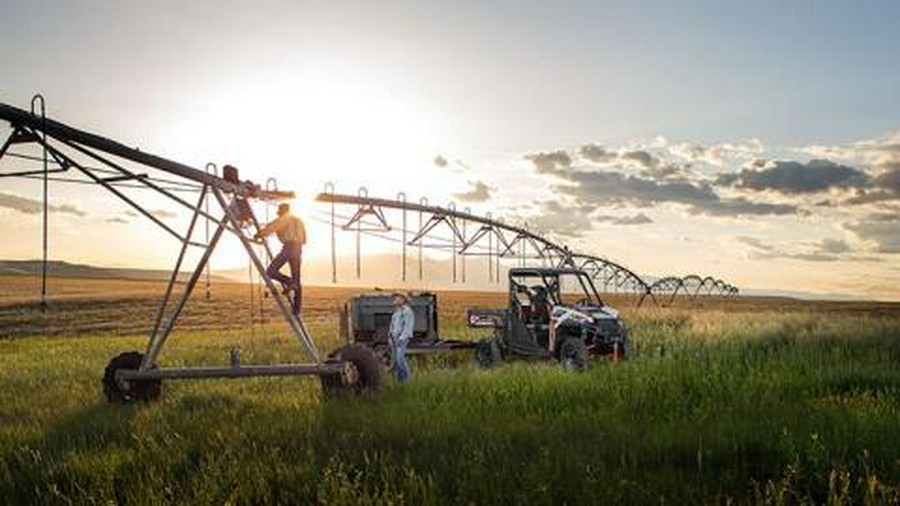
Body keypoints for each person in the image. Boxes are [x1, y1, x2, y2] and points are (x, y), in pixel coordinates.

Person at [254, 203, 306, 315]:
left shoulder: (283, 219)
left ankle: (289, 281)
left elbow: (271, 228)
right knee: (297, 278)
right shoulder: (299, 220)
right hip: (298, 248)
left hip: (289, 247)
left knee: (270, 271)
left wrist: (258, 234)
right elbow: (305, 238)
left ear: (281, 211)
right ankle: (297, 310)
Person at [389, 293, 415, 383]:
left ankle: (408, 380)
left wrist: (401, 338)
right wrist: (390, 336)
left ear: (403, 300)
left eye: (398, 298)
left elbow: (408, 327)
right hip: (394, 338)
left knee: (400, 359)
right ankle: (400, 382)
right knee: (396, 360)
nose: (395, 299)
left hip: (401, 338)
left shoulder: (407, 311)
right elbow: (393, 325)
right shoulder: (398, 311)